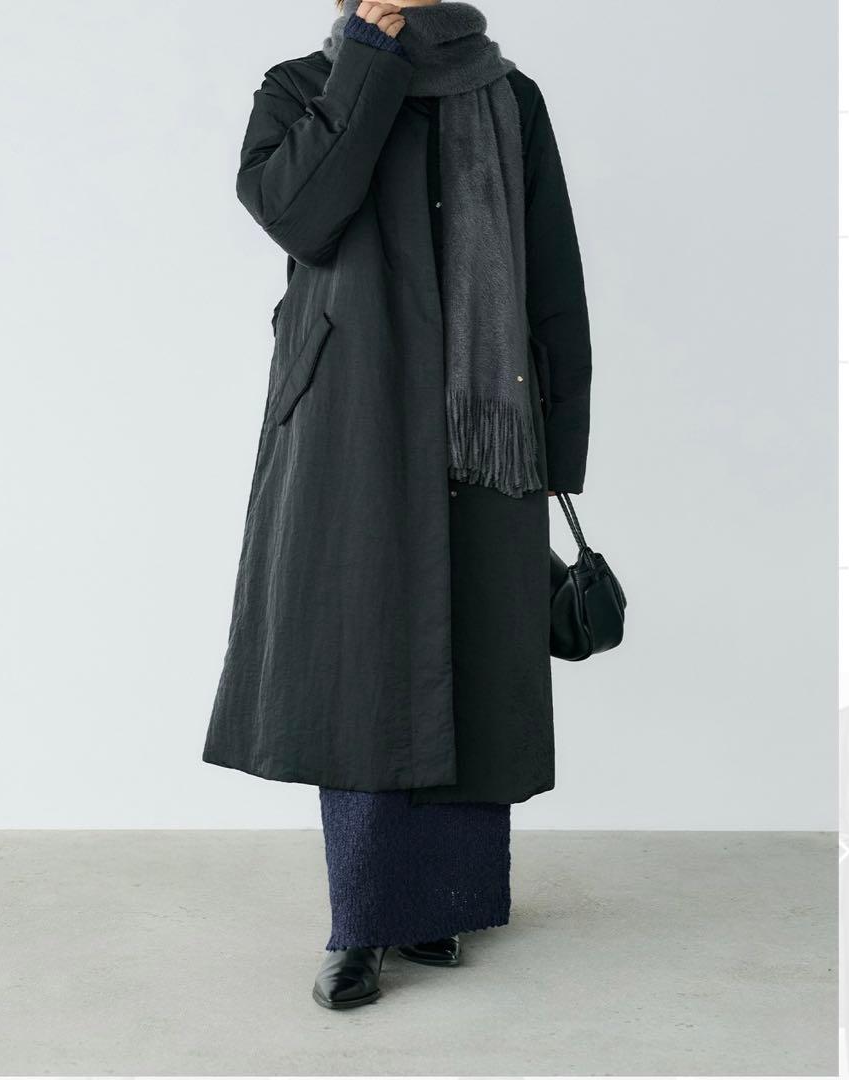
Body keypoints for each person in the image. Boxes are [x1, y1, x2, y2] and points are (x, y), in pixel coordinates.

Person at [203, 0, 592, 1010]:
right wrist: (367, 70)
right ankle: (361, 924)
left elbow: (552, 270)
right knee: (363, 669)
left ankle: (439, 906)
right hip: (354, 419)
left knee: (474, 665)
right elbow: (298, 215)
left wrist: (558, 447)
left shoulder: (509, 97)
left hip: (487, 427)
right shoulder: (304, 86)